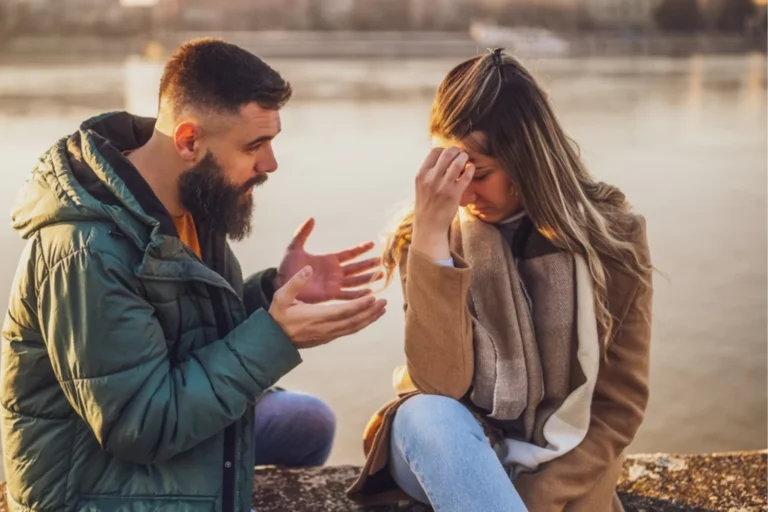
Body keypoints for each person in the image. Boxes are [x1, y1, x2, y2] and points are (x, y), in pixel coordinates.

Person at [1, 38, 387, 512]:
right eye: (254, 146)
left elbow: (185, 336)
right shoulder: (86, 251)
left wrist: (271, 296)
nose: (270, 164)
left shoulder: (189, 205)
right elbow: (141, 425)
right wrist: (273, 337)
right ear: (188, 141)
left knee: (308, 421)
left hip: (142, 427)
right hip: (93, 484)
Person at [348, 49, 653, 512]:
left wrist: (533, 497)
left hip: (562, 462)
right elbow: (440, 385)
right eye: (454, 172)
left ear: (527, 160)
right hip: (449, 449)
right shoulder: (428, 234)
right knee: (428, 413)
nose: (464, 194)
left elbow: (618, 407)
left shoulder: (613, 238)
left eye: (480, 174)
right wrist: (431, 238)